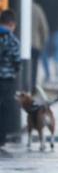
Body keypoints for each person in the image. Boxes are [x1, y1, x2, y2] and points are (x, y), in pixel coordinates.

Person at [0, 10, 21, 150]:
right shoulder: (13, 40)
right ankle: (1, 138)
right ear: (12, 24)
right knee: (5, 109)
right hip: (7, 80)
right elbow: (17, 61)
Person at [30, 2, 49, 92]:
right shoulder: (37, 9)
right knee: (34, 67)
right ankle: (32, 87)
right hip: (35, 43)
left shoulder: (18, 4)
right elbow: (44, 28)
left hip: (20, 45)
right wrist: (42, 42)